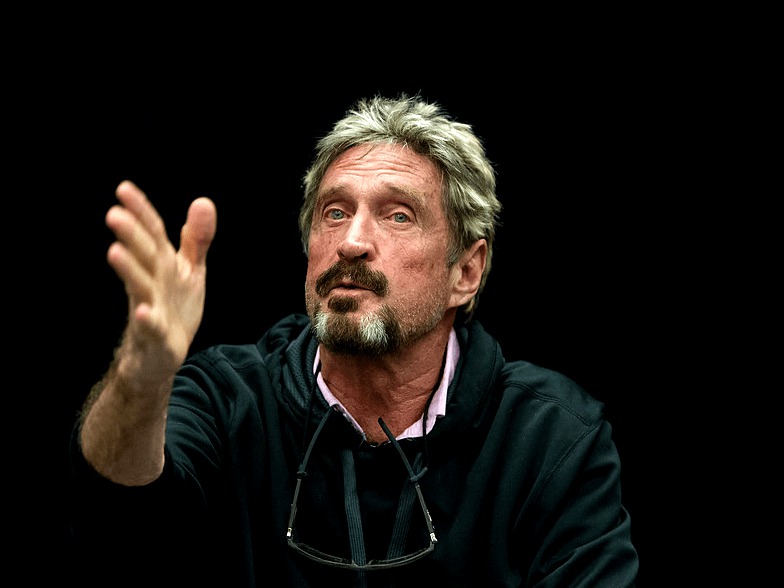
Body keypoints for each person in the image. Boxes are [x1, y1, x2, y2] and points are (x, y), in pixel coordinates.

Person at [67, 94, 639, 587]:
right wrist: (142, 375)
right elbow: (113, 512)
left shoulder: (552, 438)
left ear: (466, 271)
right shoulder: (229, 397)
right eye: (335, 212)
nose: (352, 242)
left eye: (398, 215)